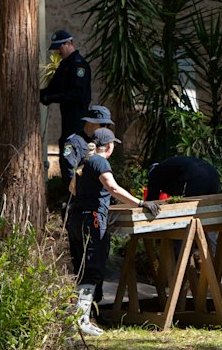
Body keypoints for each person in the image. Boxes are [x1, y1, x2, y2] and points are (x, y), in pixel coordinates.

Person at [67, 127, 161, 337]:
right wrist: (141, 203)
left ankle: (76, 319)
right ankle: (81, 321)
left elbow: (72, 188)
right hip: (92, 219)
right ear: (108, 146)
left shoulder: (84, 160)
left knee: (82, 268)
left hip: (76, 218)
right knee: (92, 268)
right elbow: (113, 188)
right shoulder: (100, 161)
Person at [39, 29, 91, 158]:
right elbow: (54, 88)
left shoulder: (79, 66)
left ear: (69, 43)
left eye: (60, 47)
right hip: (67, 115)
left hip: (77, 116)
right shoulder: (64, 66)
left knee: (72, 148)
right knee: (65, 146)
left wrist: (52, 98)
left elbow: (77, 93)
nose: (58, 51)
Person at [61, 104, 115, 189]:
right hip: (82, 196)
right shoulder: (74, 142)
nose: (105, 128)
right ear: (90, 123)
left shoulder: (101, 141)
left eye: (108, 125)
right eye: (103, 125)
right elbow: (70, 173)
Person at [146, 155, 220, 200]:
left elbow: (152, 200)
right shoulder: (170, 166)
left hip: (197, 175)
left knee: (192, 210)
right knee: (212, 206)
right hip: (214, 173)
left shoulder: (154, 173)